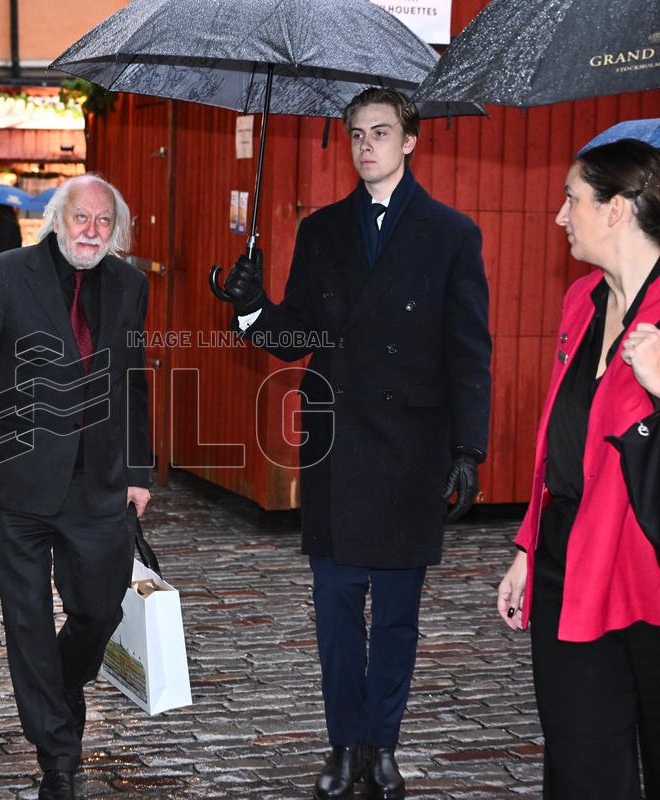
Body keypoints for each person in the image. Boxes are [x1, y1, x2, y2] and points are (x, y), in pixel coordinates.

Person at [216, 88, 492, 800]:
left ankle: (383, 744)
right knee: (337, 607)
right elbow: (294, 336)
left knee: (397, 615)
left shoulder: (451, 234)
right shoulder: (324, 231)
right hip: (338, 446)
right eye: (355, 134)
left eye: (381, 132)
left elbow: (469, 353)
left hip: (411, 448)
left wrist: (470, 450)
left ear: (411, 141)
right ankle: (344, 746)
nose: (366, 145)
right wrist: (250, 307)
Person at [0, 174, 151, 800]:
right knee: (27, 621)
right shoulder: (4, 275)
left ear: (116, 231)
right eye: (81, 218)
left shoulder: (131, 285)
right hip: (16, 483)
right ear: (57, 219)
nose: (91, 231)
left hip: (98, 483)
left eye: (103, 222)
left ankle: (54, 689)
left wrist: (140, 470)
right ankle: (57, 756)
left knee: (99, 607)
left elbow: (133, 379)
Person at [497, 139, 660, 799]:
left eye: (572, 199)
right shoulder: (581, 302)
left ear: (617, 210)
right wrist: (531, 547)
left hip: (647, 572)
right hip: (571, 559)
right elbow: (558, 439)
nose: (560, 216)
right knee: (580, 765)